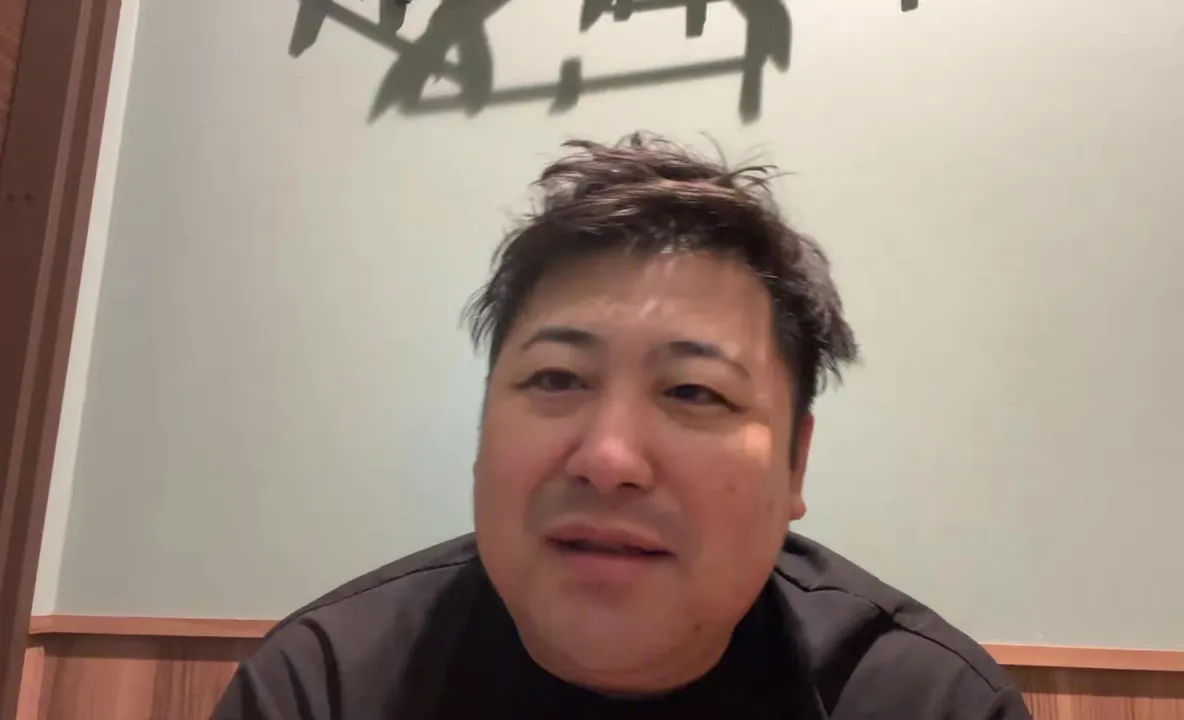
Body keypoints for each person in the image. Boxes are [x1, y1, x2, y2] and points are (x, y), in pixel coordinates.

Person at [212, 133, 1032, 719]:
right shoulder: (324, 688)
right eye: (557, 379)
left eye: (694, 392)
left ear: (796, 467)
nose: (607, 458)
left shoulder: (928, 701)